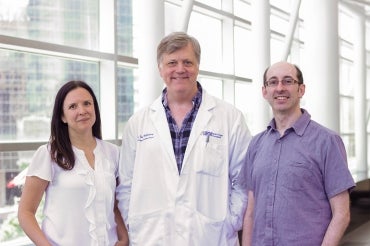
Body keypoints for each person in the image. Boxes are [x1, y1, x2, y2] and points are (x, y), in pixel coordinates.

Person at [116, 32, 252, 245]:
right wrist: (135, 225)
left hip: (210, 237)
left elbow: (243, 180)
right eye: (172, 63)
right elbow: (126, 184)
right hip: (152, 237)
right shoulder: (138, 123)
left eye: (187, 62)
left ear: (197, 66)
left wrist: (230, 222)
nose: (180, 69)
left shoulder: (229, 118)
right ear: (160, 69)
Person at [240, 61, 356, 246]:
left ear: (301, 90)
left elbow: (342, 213)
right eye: (273, 82)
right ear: (265, 92)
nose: (280, 88)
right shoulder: (256, 144)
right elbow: (250, 212)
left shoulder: (327, 142)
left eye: (288, 81)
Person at [18, 80, 129, 246]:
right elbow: (25, 212)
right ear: (62, 116)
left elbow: (114, 205)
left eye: (87, 104)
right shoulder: (49, 154)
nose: (82, 111)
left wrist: (124, 238)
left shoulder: (113, 153)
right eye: (73, 106)